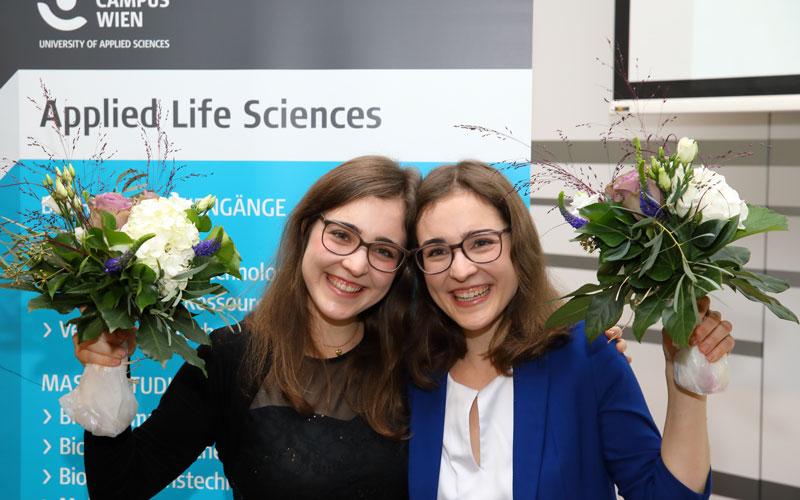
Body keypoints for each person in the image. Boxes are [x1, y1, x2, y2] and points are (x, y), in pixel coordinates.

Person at [73, 155, 420, 499]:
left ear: (401, 267)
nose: (357, 264)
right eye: (342, 235)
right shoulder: (232, 357)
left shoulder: (420, 365)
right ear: (305, 230)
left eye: (384, 251)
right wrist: (107, 369)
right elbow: (118, 488)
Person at [405, 160, 735, 499]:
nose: (460, 270)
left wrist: (684, 376)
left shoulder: (586, 354)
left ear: (518, 243)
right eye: (436, 251)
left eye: (481, 243)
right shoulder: (412, 372)